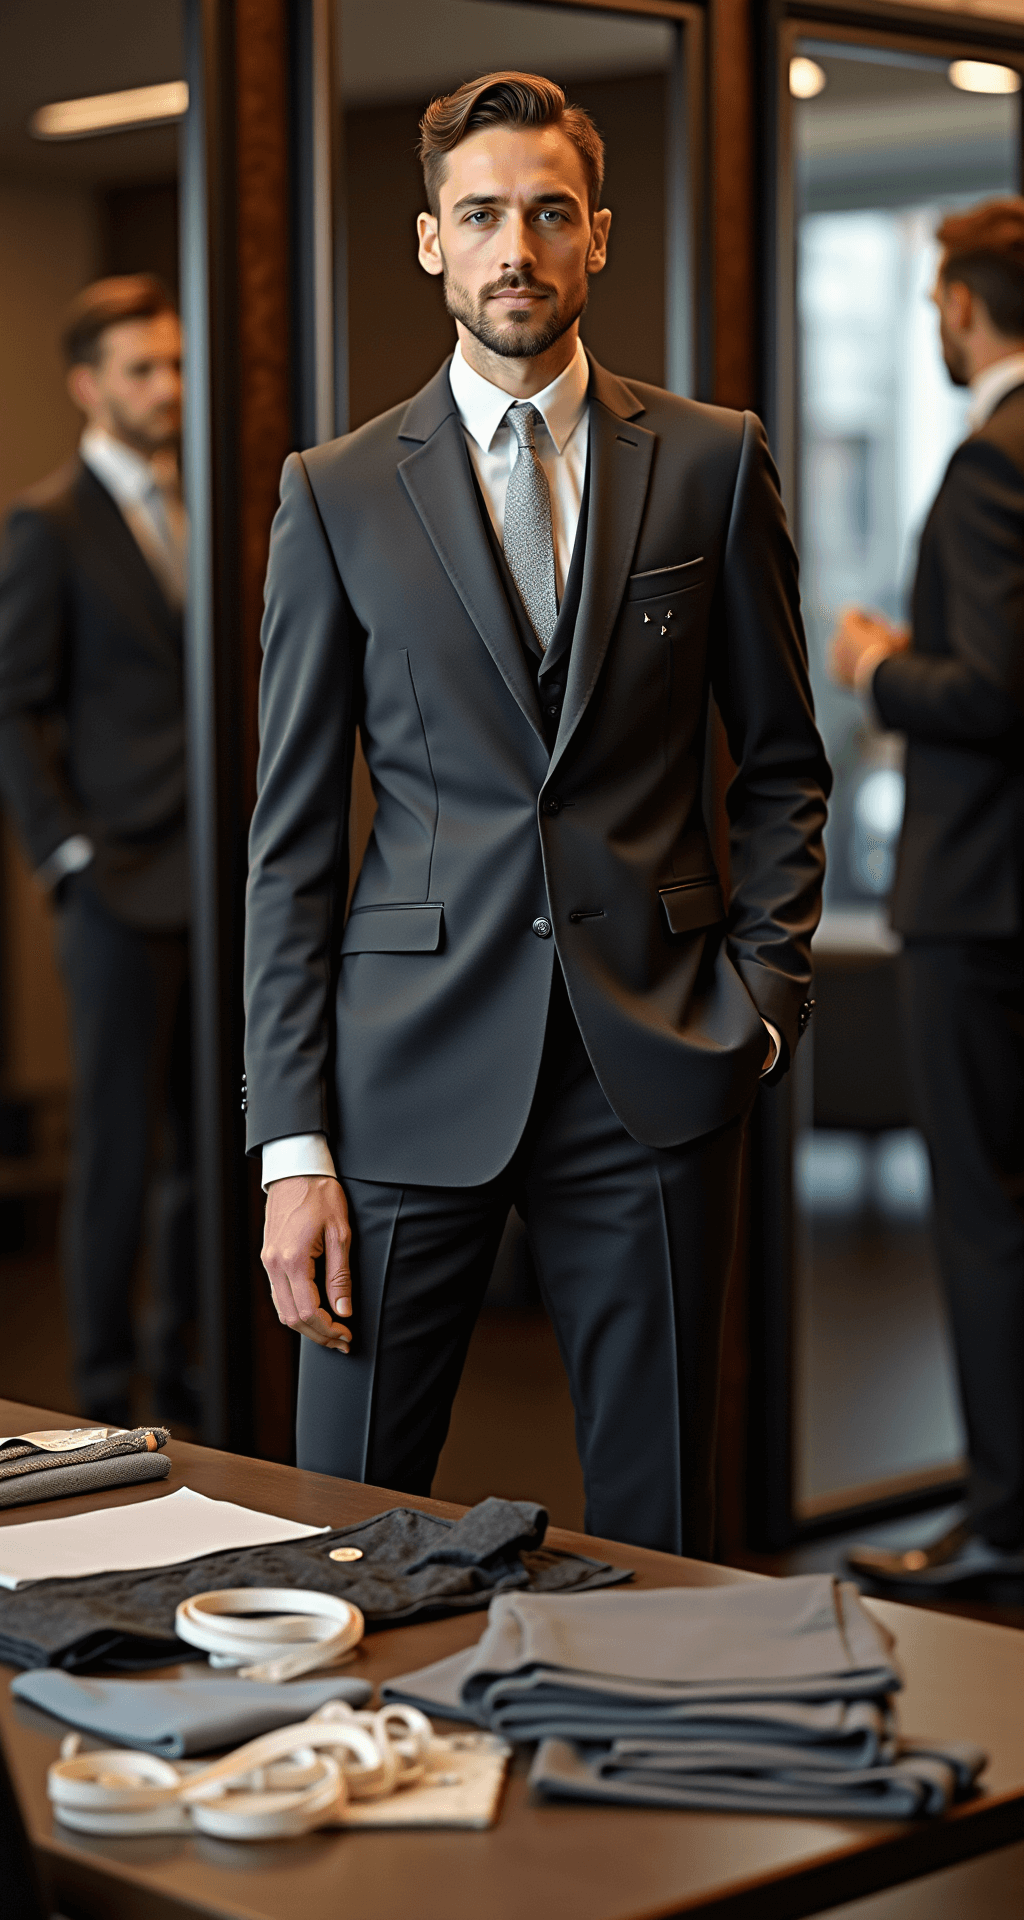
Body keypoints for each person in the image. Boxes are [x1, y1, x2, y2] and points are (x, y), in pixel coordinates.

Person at [245, 72, 830, 1555]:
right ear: (432, 241)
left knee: (663, 1530)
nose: (520, 246)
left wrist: (759, 1007)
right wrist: (294, 1146)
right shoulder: (334, 494)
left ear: (599, 238)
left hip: (652, 1064)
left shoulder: (710, 461)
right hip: (398, 1079)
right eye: (485, 214)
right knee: (347, 1527)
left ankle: (659, 1778)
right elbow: (293, 842)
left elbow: (781, 764)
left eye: (550, 214)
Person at [832, 199, 1024, 1590]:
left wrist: (873, 668)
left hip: (987, 906)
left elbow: (996, 692)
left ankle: (1006, 1532)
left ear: (964, 309)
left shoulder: (990, 465)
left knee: (988, 1218)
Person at [0, 275, 196, 1430]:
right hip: (112, 886)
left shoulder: (205, 498)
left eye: (174, 365)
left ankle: (185, 1385)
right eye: (141, 370)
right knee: (117, 1160)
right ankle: (100, 1401)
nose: (166, 388)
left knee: (200, 1160)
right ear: (88, 385)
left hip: (211, 885)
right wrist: (63, 855)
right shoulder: (50, 520)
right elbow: (11, 703)